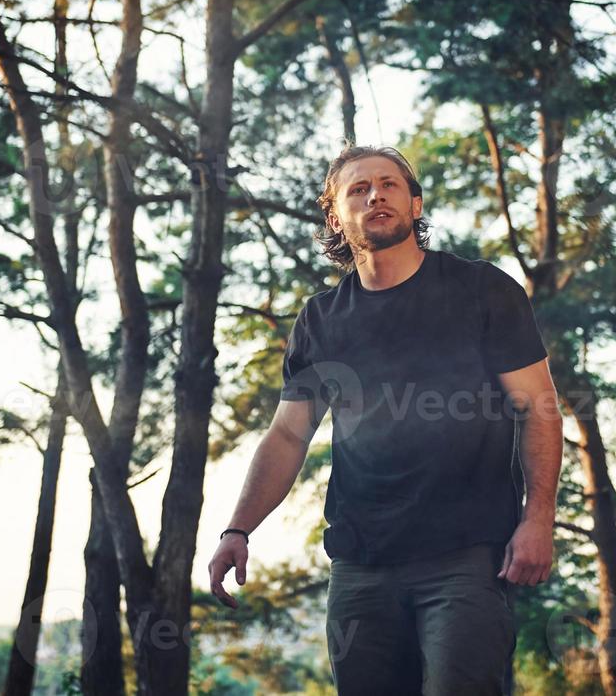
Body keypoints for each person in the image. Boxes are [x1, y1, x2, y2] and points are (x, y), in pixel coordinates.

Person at [206, 144, 564, 695]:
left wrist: (538, 518)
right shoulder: (320, 320)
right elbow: (286, 435)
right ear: (335, 216)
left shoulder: (482, 289)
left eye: (389, 184)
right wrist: (238, 528)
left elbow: (538, 405)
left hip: (467, 557)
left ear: (415, 205)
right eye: (358, 189)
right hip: (360, 565)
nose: (376, 194)